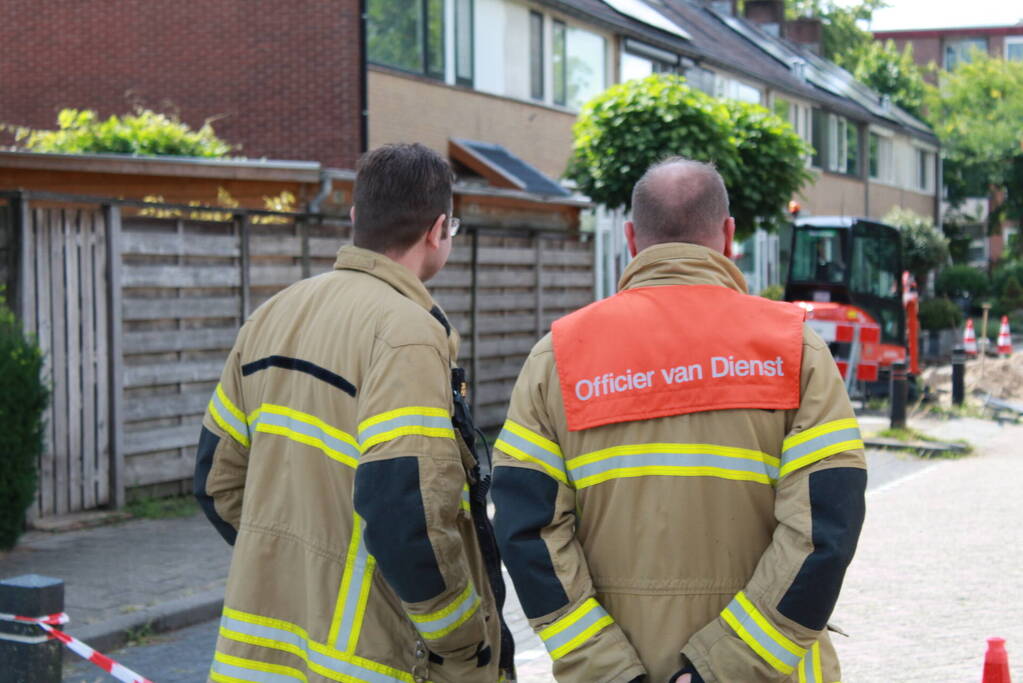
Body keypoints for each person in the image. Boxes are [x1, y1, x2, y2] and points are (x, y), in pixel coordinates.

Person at [490, 157, 867, 683]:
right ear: (729, 235)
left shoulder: (557, 357)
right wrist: (721, 667)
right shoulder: (794, 348)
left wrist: (609, 669)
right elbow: (826, 528)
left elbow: (526, 533)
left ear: (631, 238)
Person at [194, 143, 513, 683]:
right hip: (371, 662)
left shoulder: (271, 315)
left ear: (354, 218)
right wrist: (463, 641)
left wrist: (292, 564)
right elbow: (406, 514)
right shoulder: (408, 334)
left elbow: (215, 482)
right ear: (438, 229)